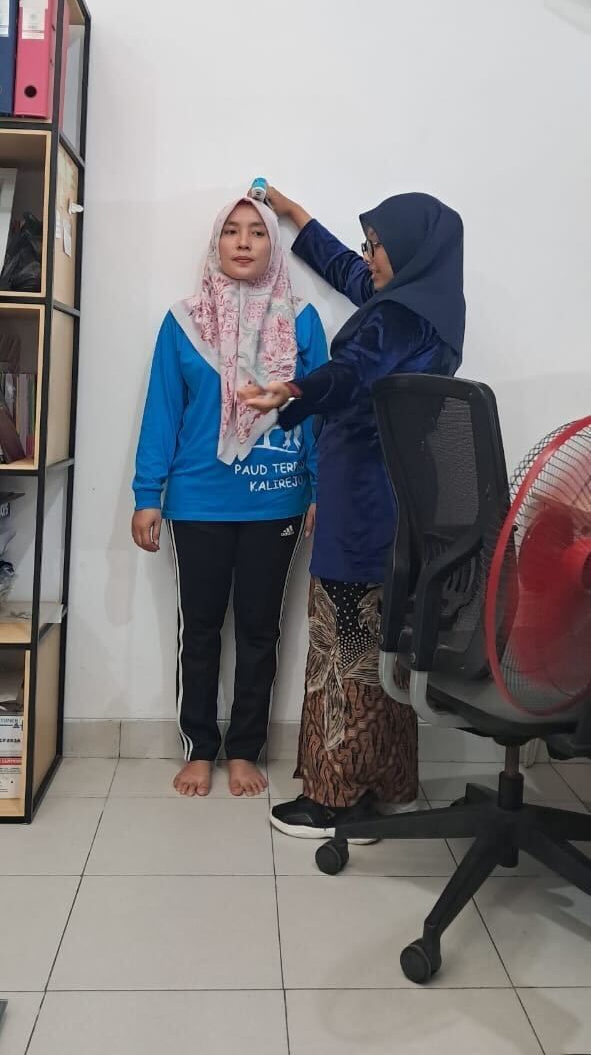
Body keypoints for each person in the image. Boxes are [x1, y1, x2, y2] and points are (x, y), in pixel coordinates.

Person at [241, 186, 465, 836]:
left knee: (344, 648)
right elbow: (351, 273)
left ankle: (332, 799)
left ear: (409, 250)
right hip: (403, 506)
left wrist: (294, 389)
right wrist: (295, 217)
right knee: (386, 647)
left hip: (362, 505)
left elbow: (351, 374)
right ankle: (391, 787)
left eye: (377, 246)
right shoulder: (430, 309)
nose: (368, 257)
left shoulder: (392, 321)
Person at [132, 198, 327, 798]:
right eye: (232, 232)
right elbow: (162, 410)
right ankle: (199, 747)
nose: (243, 243)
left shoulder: (302, 321)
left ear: (273, 246)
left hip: (276, 499)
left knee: (260, 630)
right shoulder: (183, 321)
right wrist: (147, 493)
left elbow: (321, 411)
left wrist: (320, 487)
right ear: (216, 243)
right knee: (201, 629)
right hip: (198, 501)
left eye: (257, 233)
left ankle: (245, 749)